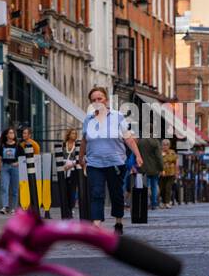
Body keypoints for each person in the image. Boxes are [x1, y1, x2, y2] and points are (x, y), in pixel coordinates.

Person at [82, 86, 142, 232]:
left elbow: (128, 138)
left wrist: (138, 155)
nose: (97, 102)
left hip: (115, 163)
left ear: (106, 100)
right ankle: (96, 224)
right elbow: (84, 140)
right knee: (96, 193)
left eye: (100, 99)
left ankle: (118, 221)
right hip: (94, 163)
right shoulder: (88, 119)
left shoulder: (117, 117)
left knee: (116, 194)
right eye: (93, 100)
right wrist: (80, 158)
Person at [0, 127, 21, 213]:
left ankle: (14, 208)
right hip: (5, 167)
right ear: (7, 135)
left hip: (15, 168)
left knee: (15, 189)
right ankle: (4, 207)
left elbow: (23, 158)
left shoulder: (18, 146)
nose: (12, 134)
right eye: (10, 133)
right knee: (4, 187)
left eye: (13, 133)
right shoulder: (3, 146)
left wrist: (17, 163)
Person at [137, 134, 163, 210]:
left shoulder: (140, 142)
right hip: (154, 168)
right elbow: (159, 156)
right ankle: (154, 204)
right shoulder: (155, 142)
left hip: (143, 167)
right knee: (154, 186)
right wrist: (161, 167)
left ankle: (145, 203)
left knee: (145, 186)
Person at [62, 127, 81, 214]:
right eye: (72, 133)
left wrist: (72, 164)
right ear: (68, 134)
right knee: (64, 189)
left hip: (73, 170)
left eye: (75, 133)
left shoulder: (78, 145)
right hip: (63, 169)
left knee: (72, 190)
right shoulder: (63, 144)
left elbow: (80, 158)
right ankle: (65, 208)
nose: (74, 135)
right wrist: (64, 165)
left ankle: (71, 207)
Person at [160, 138, 177, 208]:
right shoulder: (160, 152)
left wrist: (176, 172)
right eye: (163, 145)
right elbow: (159, 161)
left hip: (171, 173)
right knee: (162, 188)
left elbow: (174, 161)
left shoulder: (172, 152)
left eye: (166, 145)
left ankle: (167, 202)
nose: (165, 146)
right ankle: (163, 202)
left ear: (169, 145)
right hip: (162, 173)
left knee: (168, 188)